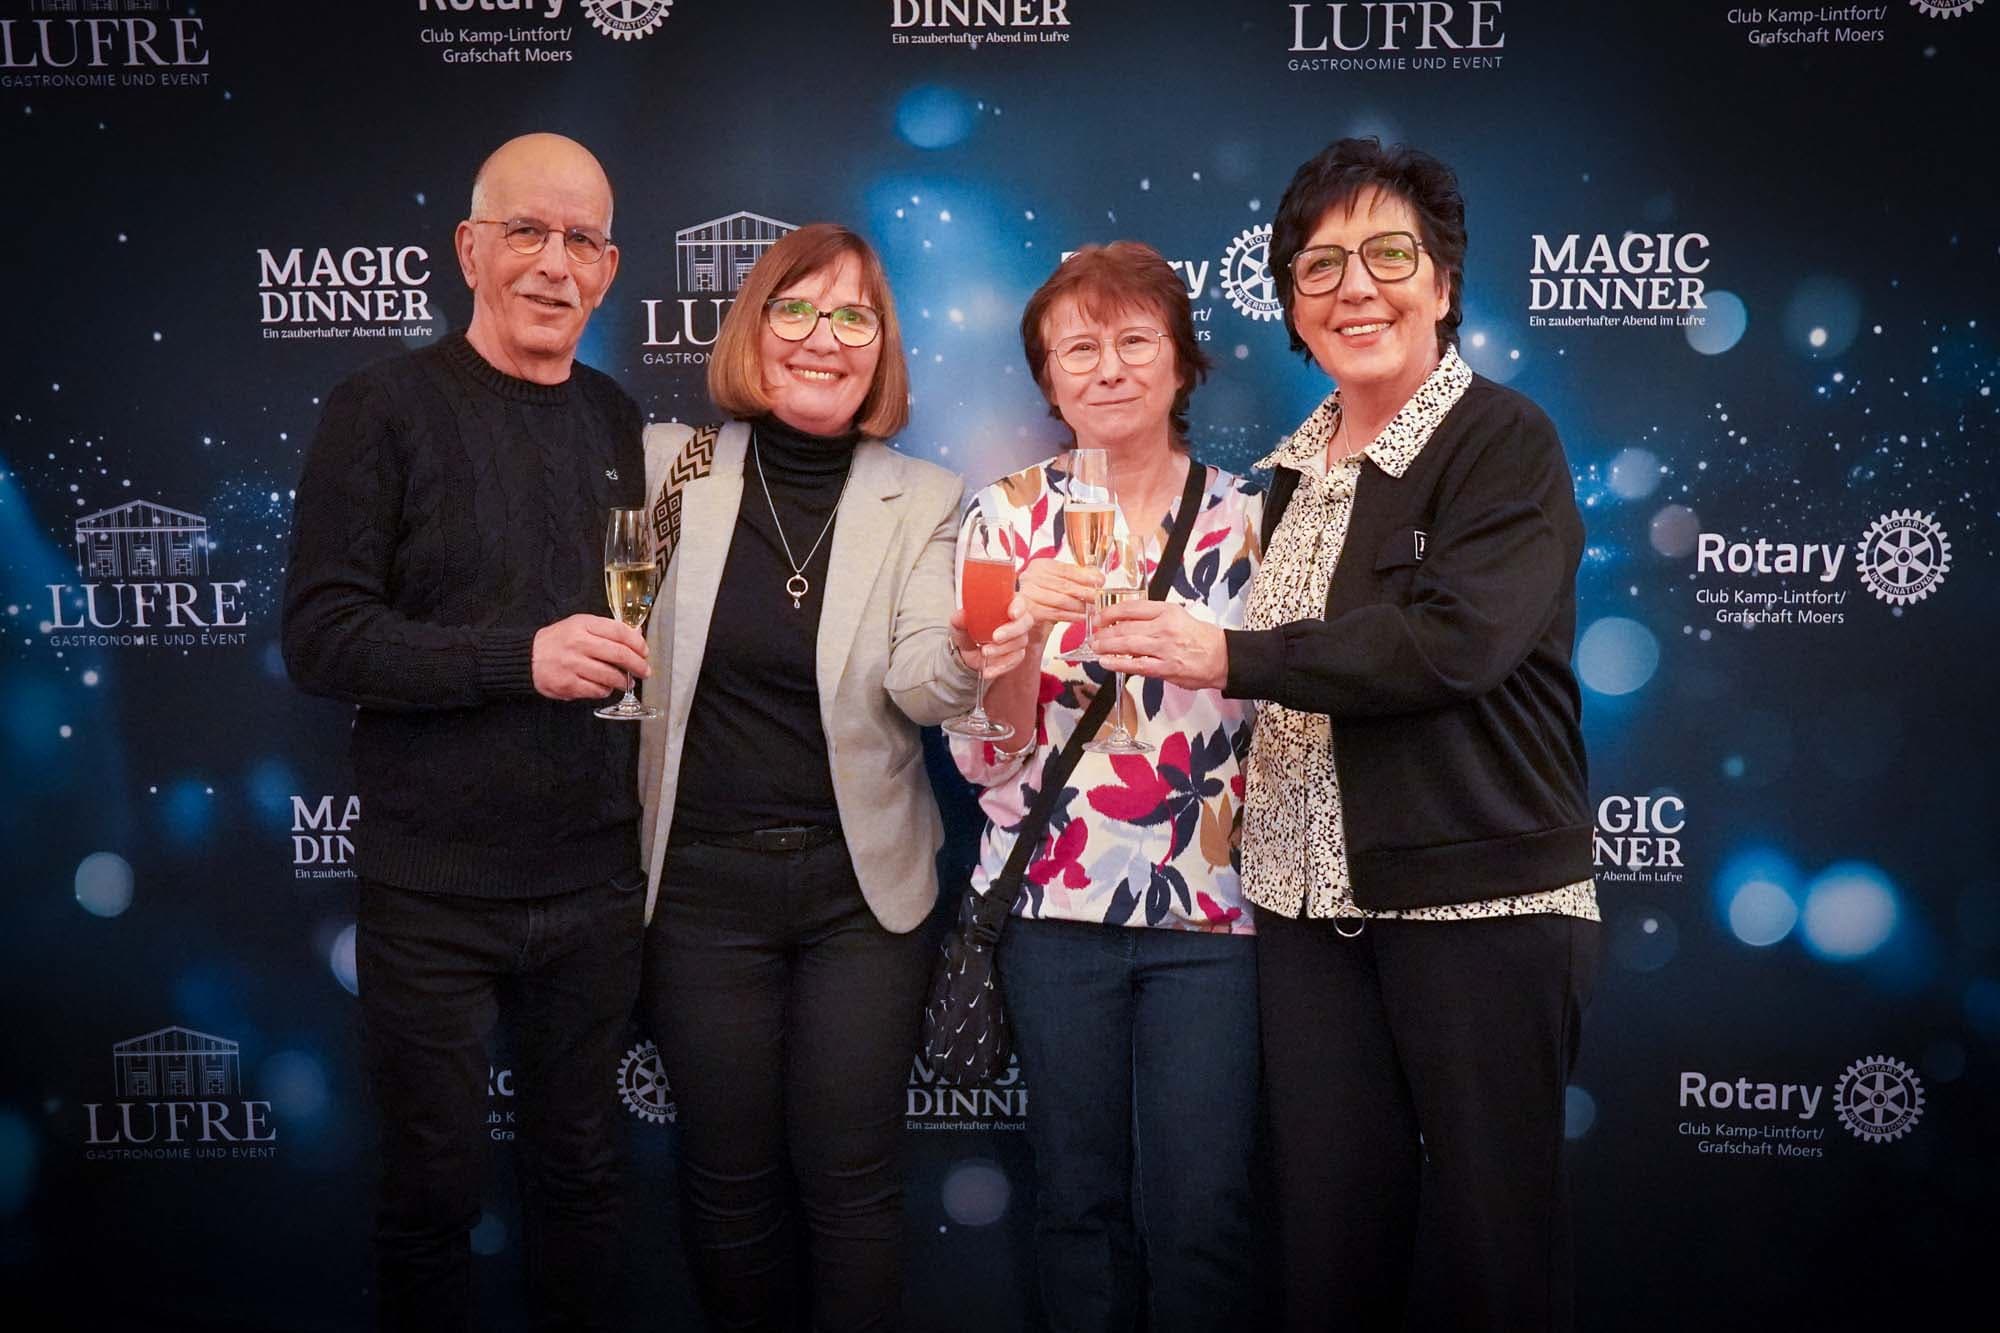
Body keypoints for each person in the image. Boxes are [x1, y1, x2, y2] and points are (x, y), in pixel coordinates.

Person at [1096, 139, 1600, 1332]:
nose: (1354, 289)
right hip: (1305, 921)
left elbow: (1452, 643)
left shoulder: (1501, 440)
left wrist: (1229, 655)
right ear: (1287, 307)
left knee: (1488, 1257)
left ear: (1439, 286)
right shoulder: (1276, 479)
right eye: (1318, 267)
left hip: (1480, 910)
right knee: (1325, 1258)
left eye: (1388, 255)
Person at [634, 222, 1030, 1333]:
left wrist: (971, 655)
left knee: (852, 1184)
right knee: (725, 1183)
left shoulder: (924, 495)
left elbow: (917, 683)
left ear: (881, 347)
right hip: (700, 892)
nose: (822, 337)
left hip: (860, 897)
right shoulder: (674, 468)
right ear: (752, 330)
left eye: (853, 315)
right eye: (795, 309)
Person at [282, 133, 646, 1331]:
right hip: (432, 893)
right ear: (470, 249)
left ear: (608, 267)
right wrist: (517, 658)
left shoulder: (615, 418)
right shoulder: (378, 408)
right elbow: (323, 639)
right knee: (432, 1192)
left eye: (580, 239)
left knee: (583, 1179)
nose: (553, 263)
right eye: (527, 233)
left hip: (592, 884)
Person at [951, 242, 1263, 1333]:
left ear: (1180, 362)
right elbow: (989, 757)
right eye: (1076, 347)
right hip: (1052, 912)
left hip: (1208, 917)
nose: (1107, 367)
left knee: (1202, 1210)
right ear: (1045, 377)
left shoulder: (1253, 520)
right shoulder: (999, 520)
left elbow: (1286, 725)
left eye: (1134, 340)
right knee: (1076, 1207)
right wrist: (1018, 637)